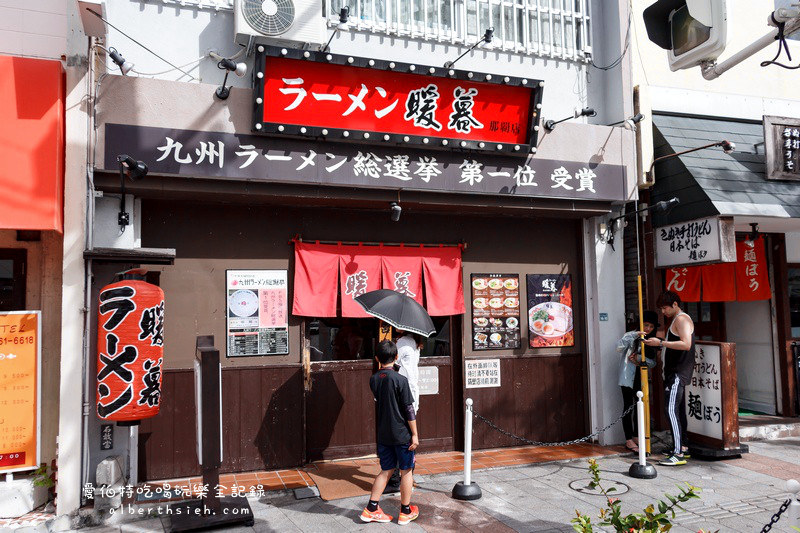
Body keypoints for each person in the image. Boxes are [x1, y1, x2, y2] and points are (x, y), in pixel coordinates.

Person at [360, 340, 420, 526]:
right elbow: (408, 409)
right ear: (396, 357)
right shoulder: (401, 380)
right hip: (402, 433)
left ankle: (371, 508)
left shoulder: (374, 379)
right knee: (406, 470)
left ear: (377, 359)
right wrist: (415, 434)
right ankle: (405, 512)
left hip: (384, 433)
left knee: (386, 470)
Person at [643, 291, 695, 466]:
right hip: (675, 373)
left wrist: (661, 343)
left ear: (674, 304)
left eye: (664, 308)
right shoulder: (676, 319)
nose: (663, 312)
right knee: (678, 411)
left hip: (677, 373)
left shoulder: (681, 319)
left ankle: (678, 453)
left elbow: (686, 344)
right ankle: (683, 447)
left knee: (670, 410)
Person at [384, 331, 423, 493]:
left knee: (401, 439)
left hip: (402, 392)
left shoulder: (404, 342)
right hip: (412, 393)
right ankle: (409, 477)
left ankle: (395, 481)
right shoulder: (415, 343)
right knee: (409, 437)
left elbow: (391, 360)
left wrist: (389, 345)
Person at [616, 311, 659, 453]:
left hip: (641, 378)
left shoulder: (652, 341)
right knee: (628, 407)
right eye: (646, 325)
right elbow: (618, 347)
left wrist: (639, 359)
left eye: (651, 326)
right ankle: (628, 440)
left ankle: (636, 436)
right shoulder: (631, 336)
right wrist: (635, 334)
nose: (648, 329)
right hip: (628, 377)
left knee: (639, 407)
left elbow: (653, 363)